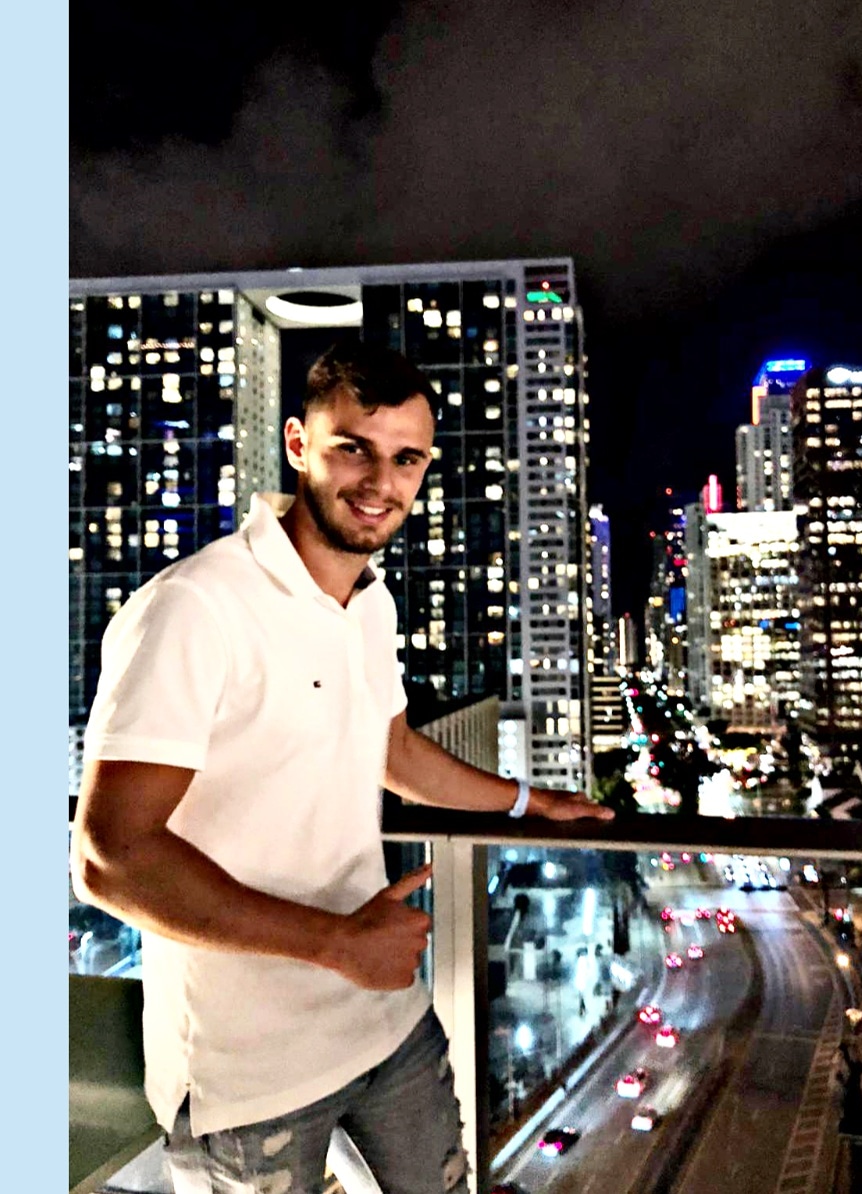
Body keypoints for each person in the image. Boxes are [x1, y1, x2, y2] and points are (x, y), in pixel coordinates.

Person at [70, 339, 615, 1194]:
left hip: (384, 1021)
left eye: (406, 459)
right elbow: (109, 858)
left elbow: (390, 748)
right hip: (248, 1073)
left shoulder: (369, 601)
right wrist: (335, 943)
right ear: (298, 445)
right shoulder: (194, 607)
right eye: (353, 448)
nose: (379, 482)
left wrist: (526, 802)